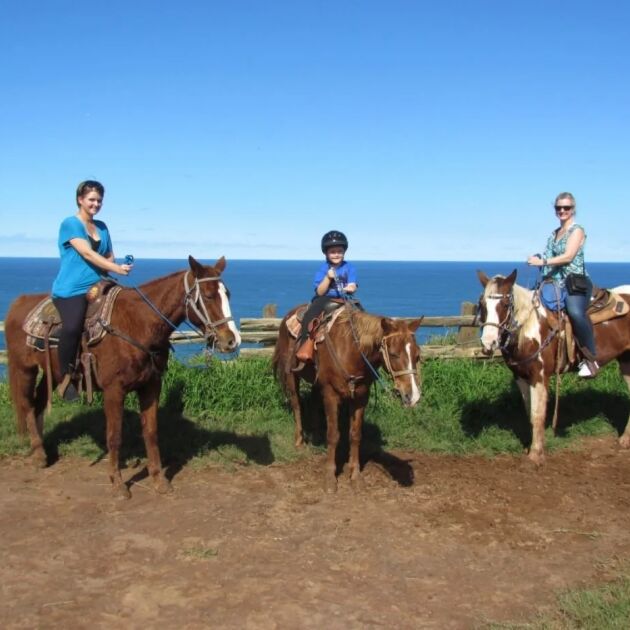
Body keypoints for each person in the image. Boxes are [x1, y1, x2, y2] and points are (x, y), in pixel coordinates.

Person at [51, 180, 133, 400]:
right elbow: (87, 253)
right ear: (80, 200)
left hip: (100, 285)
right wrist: (116, 268)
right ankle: (65, 377)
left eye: (99, 200)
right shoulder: (70, 224)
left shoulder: (103, 227)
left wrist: (115, 266)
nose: (96, 204)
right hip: (73, 289)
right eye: (91, 200)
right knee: (72, 326)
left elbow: (109, 255)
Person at [527, 192, 598, 377]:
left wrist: (542, 263)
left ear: (573, 209)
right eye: (559, 208)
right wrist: (539, 258)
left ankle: (590, 359)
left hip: (574, 282)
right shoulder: (553, 234)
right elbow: (549, 257)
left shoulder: (577, 230)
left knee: (575, 312)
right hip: (554, 282)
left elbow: (568, 256)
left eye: (566, 207)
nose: (562, 211)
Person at [294, 230, 358, 364]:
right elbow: (320, 291)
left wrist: (350, 288)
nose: (336, 254)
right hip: (325, 298)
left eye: (339, 251)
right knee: (310, 316)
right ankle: (305, 344)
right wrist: (328, 278)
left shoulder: (349, 267)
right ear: (326, 253)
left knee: (361, 315)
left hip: (344, 298)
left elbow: (352, 284)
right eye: (333, 252)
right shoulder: (323, 269)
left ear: (344, 251)